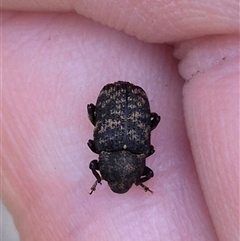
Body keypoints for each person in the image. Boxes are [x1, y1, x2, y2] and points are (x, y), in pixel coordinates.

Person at [2, 1, 239, 240]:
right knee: (104, 113)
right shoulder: (109, 149)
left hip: (119, 100)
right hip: (123, 101)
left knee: (138, 117)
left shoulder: (140, 149)